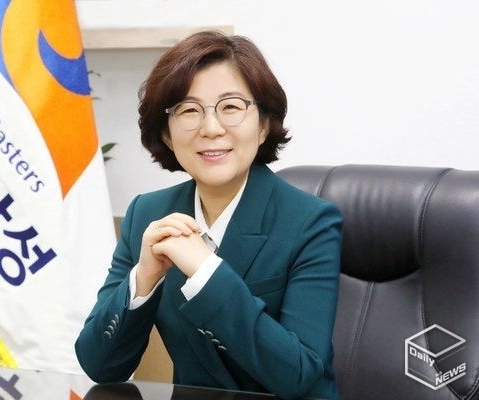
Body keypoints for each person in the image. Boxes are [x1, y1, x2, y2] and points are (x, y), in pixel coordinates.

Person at [75, 30, 343, 400]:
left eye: (231, 107)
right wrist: (143, 279)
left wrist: (206, 273)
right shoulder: (147, 215)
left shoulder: (311, 222)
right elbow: (101, 367)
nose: (211, 128)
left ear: (263, 125)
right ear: (166, 135)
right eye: (189, 110)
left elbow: (298, 376)